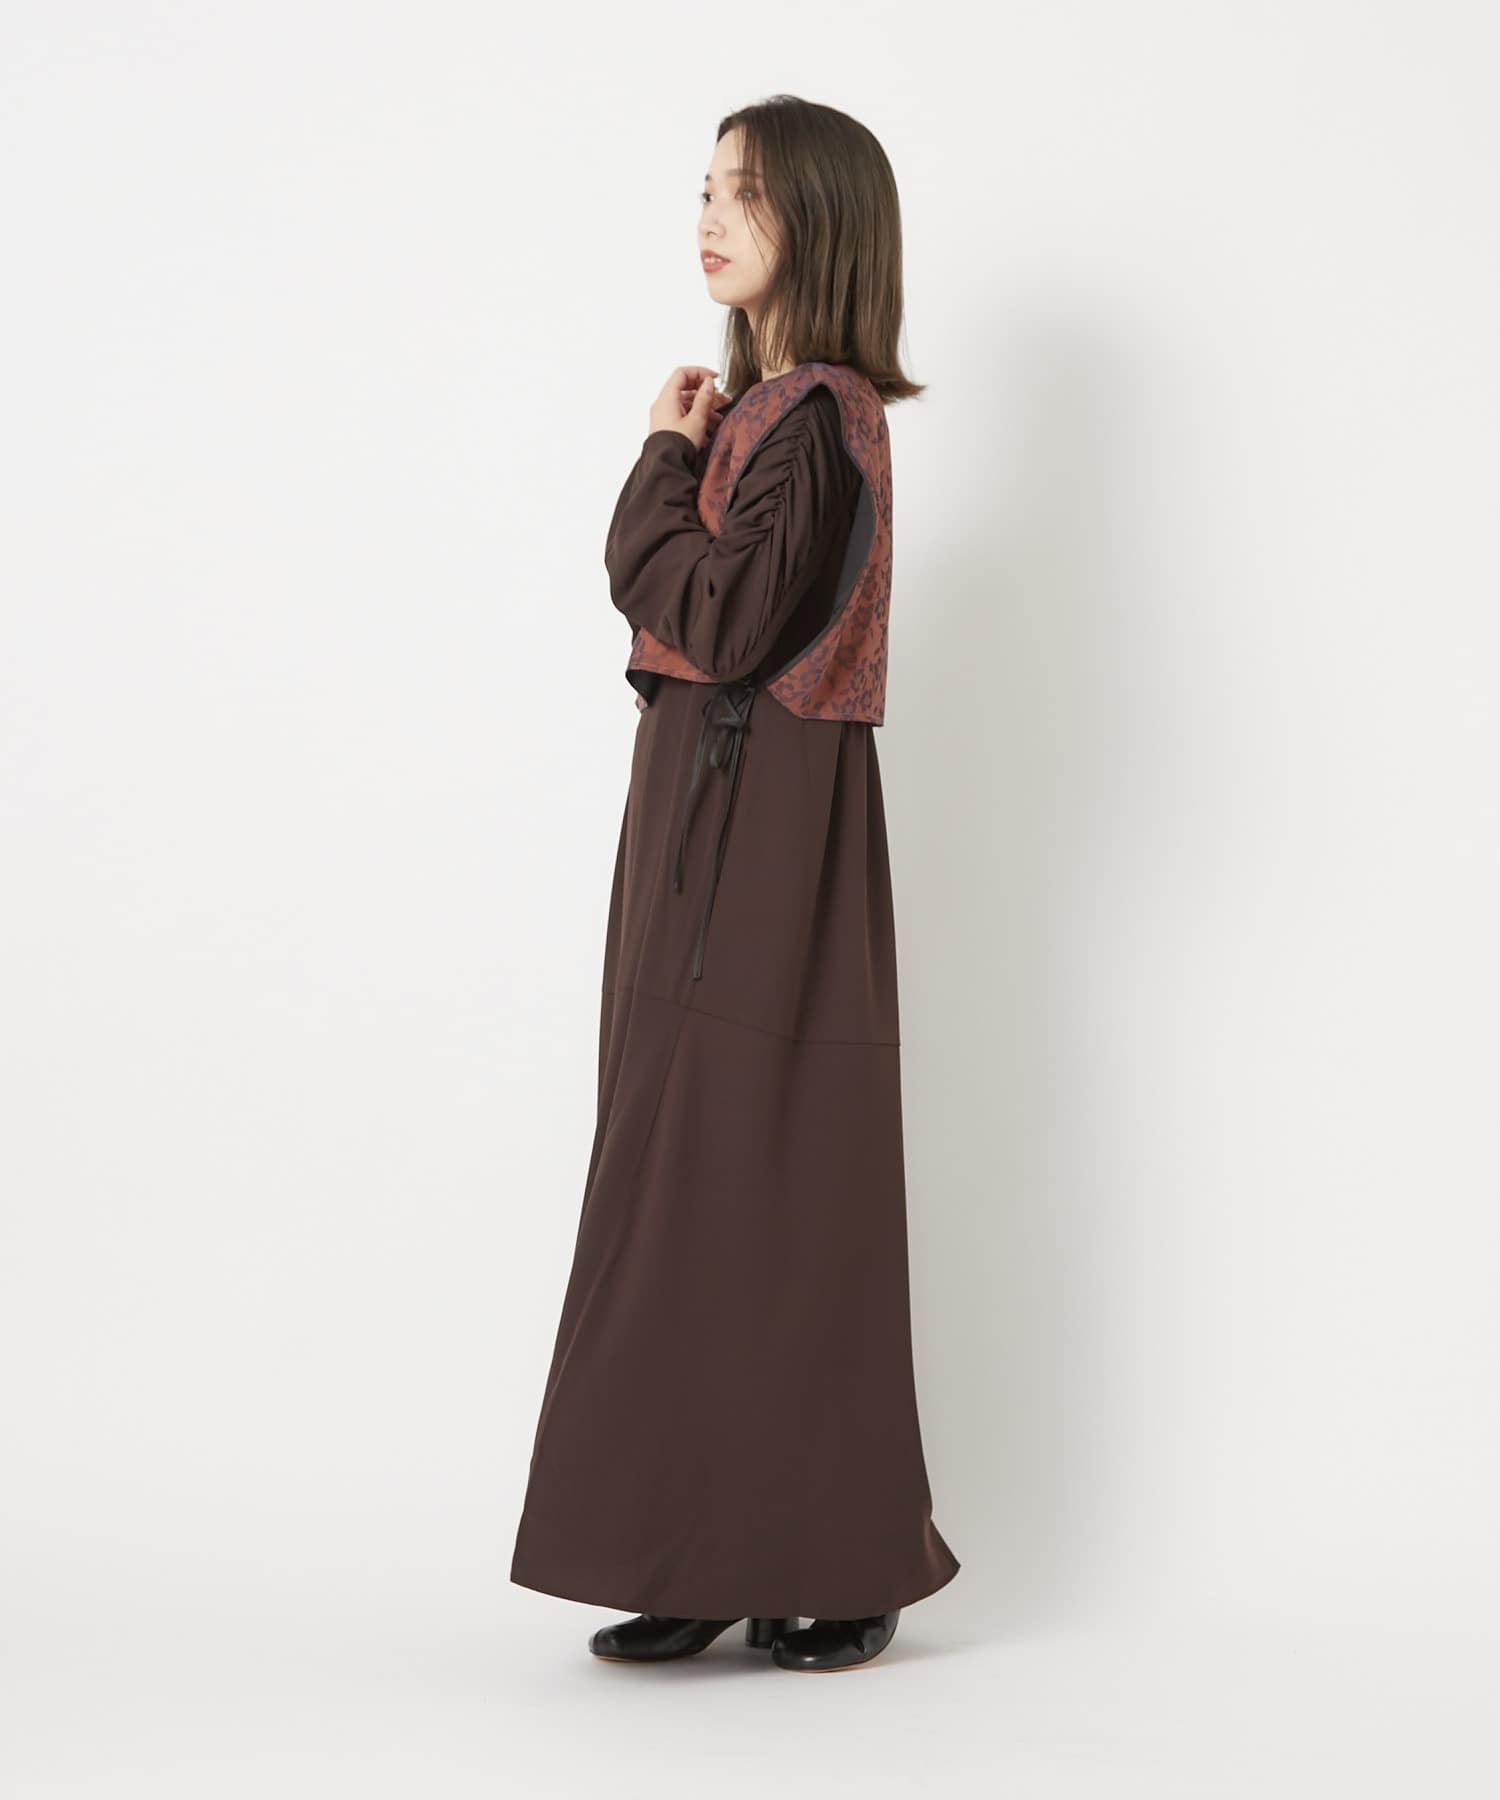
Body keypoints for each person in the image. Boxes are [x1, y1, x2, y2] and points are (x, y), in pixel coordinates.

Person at [509, 95, 959, 1674]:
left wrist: (659, 459)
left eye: (745, 194)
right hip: (706, 818)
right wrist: (695, 455)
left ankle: (835, 1558)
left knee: (772, 1171)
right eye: (703, 188)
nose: (709, 217)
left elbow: (721, 613)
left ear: (817, 223)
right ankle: (697, 1547)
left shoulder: (819, 415)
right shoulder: (771, 413)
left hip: (765, 831)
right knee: (688, 1181)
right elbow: (712, 613)